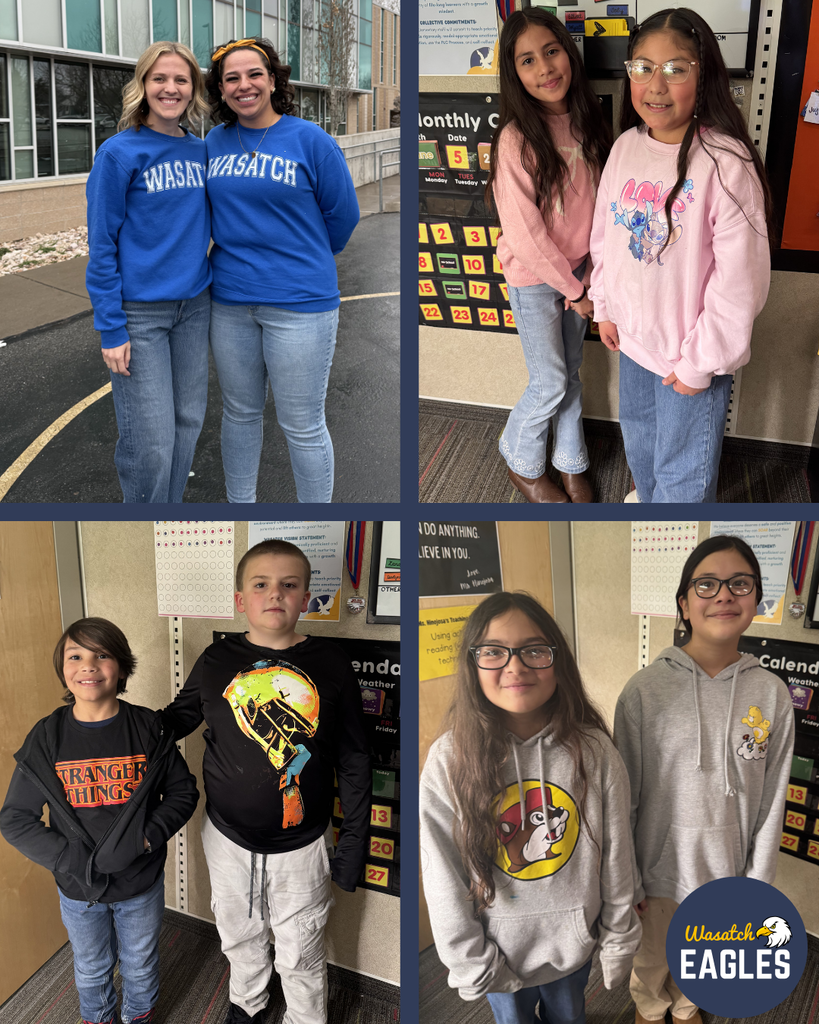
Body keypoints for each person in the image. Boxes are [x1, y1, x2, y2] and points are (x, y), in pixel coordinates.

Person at [161, 539, 371, 1024]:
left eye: (288, 585)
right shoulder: (216, 660)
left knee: (301, 949)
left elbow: (355, 760)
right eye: (261, 585)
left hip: (302, 846)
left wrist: (354, 843)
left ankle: (304, 1017)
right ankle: (249, 1005)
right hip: (227, 838)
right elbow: (178, 718)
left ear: (306, 596)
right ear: (241, 599)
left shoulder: (332, 665)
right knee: (239, 935)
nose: (274, 594)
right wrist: (112, 724)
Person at [420, 592, 641, 1024]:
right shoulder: (450, 759)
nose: (515, 666)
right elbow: (441, 874)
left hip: (573, 947)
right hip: (497, 953)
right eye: (493, 652)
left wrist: (619, 938)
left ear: (557, 660)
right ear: (472, 664)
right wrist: (470, 961)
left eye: (534, 650)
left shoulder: (595, 751)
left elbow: (618, 853)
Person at [588, 8, 773, 503]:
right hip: (632, 343)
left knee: (684, 477)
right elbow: (604, 235)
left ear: (704, 73)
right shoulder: (625, 146)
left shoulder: (726, 164)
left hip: (690, 356)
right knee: (642, 448)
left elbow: (740, 285)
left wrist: (700, 362)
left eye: (676, 68)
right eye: (643, 67)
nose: (656, 85)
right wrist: (603, 305)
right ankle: (647, 502)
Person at [614, 535, 795, 1024]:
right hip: (657, 874)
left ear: (757, 598)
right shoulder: (644, 692)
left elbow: (774, 797)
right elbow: (623, 800)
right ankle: (652, 1011)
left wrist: (758, 883)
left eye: (740, 583)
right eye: (707, 584)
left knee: (702, 961)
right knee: (650, 961)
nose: (724, 595)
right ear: (684, 604)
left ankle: (688, 1006)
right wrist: (626, 879)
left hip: (728, 873)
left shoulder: (773, 694)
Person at [0, 618, 199, 1024]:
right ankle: (99, 1017)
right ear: (63, 668)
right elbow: (16, 818)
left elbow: (183, 793)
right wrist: (70, 860)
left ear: (122, 668)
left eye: (102, 655)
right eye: (76, 656)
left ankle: (137, 1016)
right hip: (78, 889)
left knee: (140, 963)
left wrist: (145, 839)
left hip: (140, 882)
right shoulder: (48, 736)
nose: (88, 666)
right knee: (91, 968)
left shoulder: (148, 728)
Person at [204, 38, 360, 503]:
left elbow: (343, 215)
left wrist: (304, 256)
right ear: (221, 89)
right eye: (231, 78)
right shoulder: (213, 143)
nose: (244, 85)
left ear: (273, 80)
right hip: (230, 302)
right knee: (239, 414)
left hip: (300, 306)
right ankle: (239, 509)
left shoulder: (310, 139)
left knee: (302, 424)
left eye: (254, 74)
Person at [486, 10, 612, 504]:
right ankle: (520, 456)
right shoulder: (517, 139)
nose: (544, 68)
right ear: (513, 74)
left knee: (571, 369)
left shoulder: (589, 123)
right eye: (527, 60)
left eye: (552, 51)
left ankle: (571, 459)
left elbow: (603, 208)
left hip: (580, 273)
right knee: (551, 378)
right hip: (538, 279)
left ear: (569, 53)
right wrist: (576, 291)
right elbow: (525, 234)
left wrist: (591, 278)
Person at [86, 42, 212, 503]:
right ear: (142, 86)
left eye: (181, 80)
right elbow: (101, 246)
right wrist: (110, 325)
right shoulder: (119, 154)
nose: (170, 88)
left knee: (187, 424)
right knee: (151, 444)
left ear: (193, 90)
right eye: (159, 78)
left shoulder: (202, 151)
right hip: (140, 316)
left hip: (195, 308)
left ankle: (170, 511)